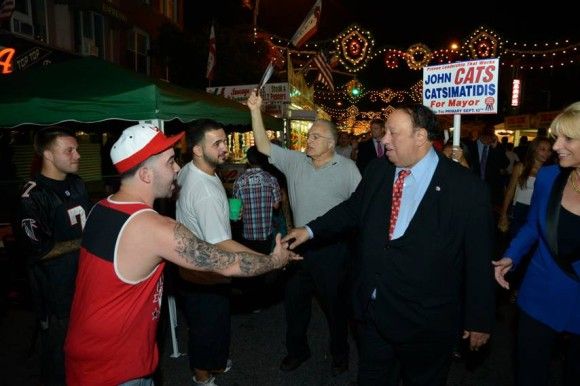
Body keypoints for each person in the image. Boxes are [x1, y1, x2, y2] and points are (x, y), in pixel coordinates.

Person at [64, 123, 298, 386]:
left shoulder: (101, 208)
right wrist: (275, 260)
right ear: (145, 175)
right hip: (116, 367)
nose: (177, 168)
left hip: (86, 351)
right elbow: (227, 264)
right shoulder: (153, 227)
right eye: (170, 162)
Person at [283, 104, 495, 386]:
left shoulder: (466, 188)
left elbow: (478, 260)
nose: (383, 140)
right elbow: (352, 210)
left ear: (420, 137)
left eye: (393, 133)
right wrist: (309, 230)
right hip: (373, 315)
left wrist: (479, 319)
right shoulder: (378, 170)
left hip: (425, 323)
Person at [247, 92, 361, 376]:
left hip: (333, 250)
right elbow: (262, 145)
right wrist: (254, 110)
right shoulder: (295, 162)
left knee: (336, 309)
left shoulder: (348, 169)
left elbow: (361, 210)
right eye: (309, 135)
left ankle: (339, 353)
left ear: (332, 144)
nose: (309, 139)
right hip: (297, 250)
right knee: (295, 305)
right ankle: (297, 351)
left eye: (316, 136)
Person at [493, 102, 580, 386]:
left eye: (568, 139)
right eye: (556, 139)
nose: (556, 147)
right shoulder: (548, 176)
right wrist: (511, 255)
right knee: (530, 374)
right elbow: (533, 225)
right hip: (539, 292)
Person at [175, 119, 255, 385]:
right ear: (197, 149)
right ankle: (202, 377)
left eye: (225, 141)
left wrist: (226, 214)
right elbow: (220, 243)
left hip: (194, 266)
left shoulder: (190, 170)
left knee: (215, 322)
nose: (225, 148)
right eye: (217, 143)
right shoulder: (205, 190)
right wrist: (264, 259)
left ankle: (216, 364)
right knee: (205, 327)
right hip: (205, 271)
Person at [15, 126, 92, 386]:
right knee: (58, 356)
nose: (77, 155)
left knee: (86, 349)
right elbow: (40, 250)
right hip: (56, 291)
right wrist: (84, 242)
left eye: (77, 149)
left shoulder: (77, 183)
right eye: (69, 150)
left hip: (85, 282)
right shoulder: (33, 195)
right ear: (47, 154)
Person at [233, 146, 282, 254]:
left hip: (247, 235)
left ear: (248, 161)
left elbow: (235, 212)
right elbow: (276, 205)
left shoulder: (239, 181)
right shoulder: (271, 179)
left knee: (250, 264)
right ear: (263, 160)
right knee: (266, 262)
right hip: (266, 233)